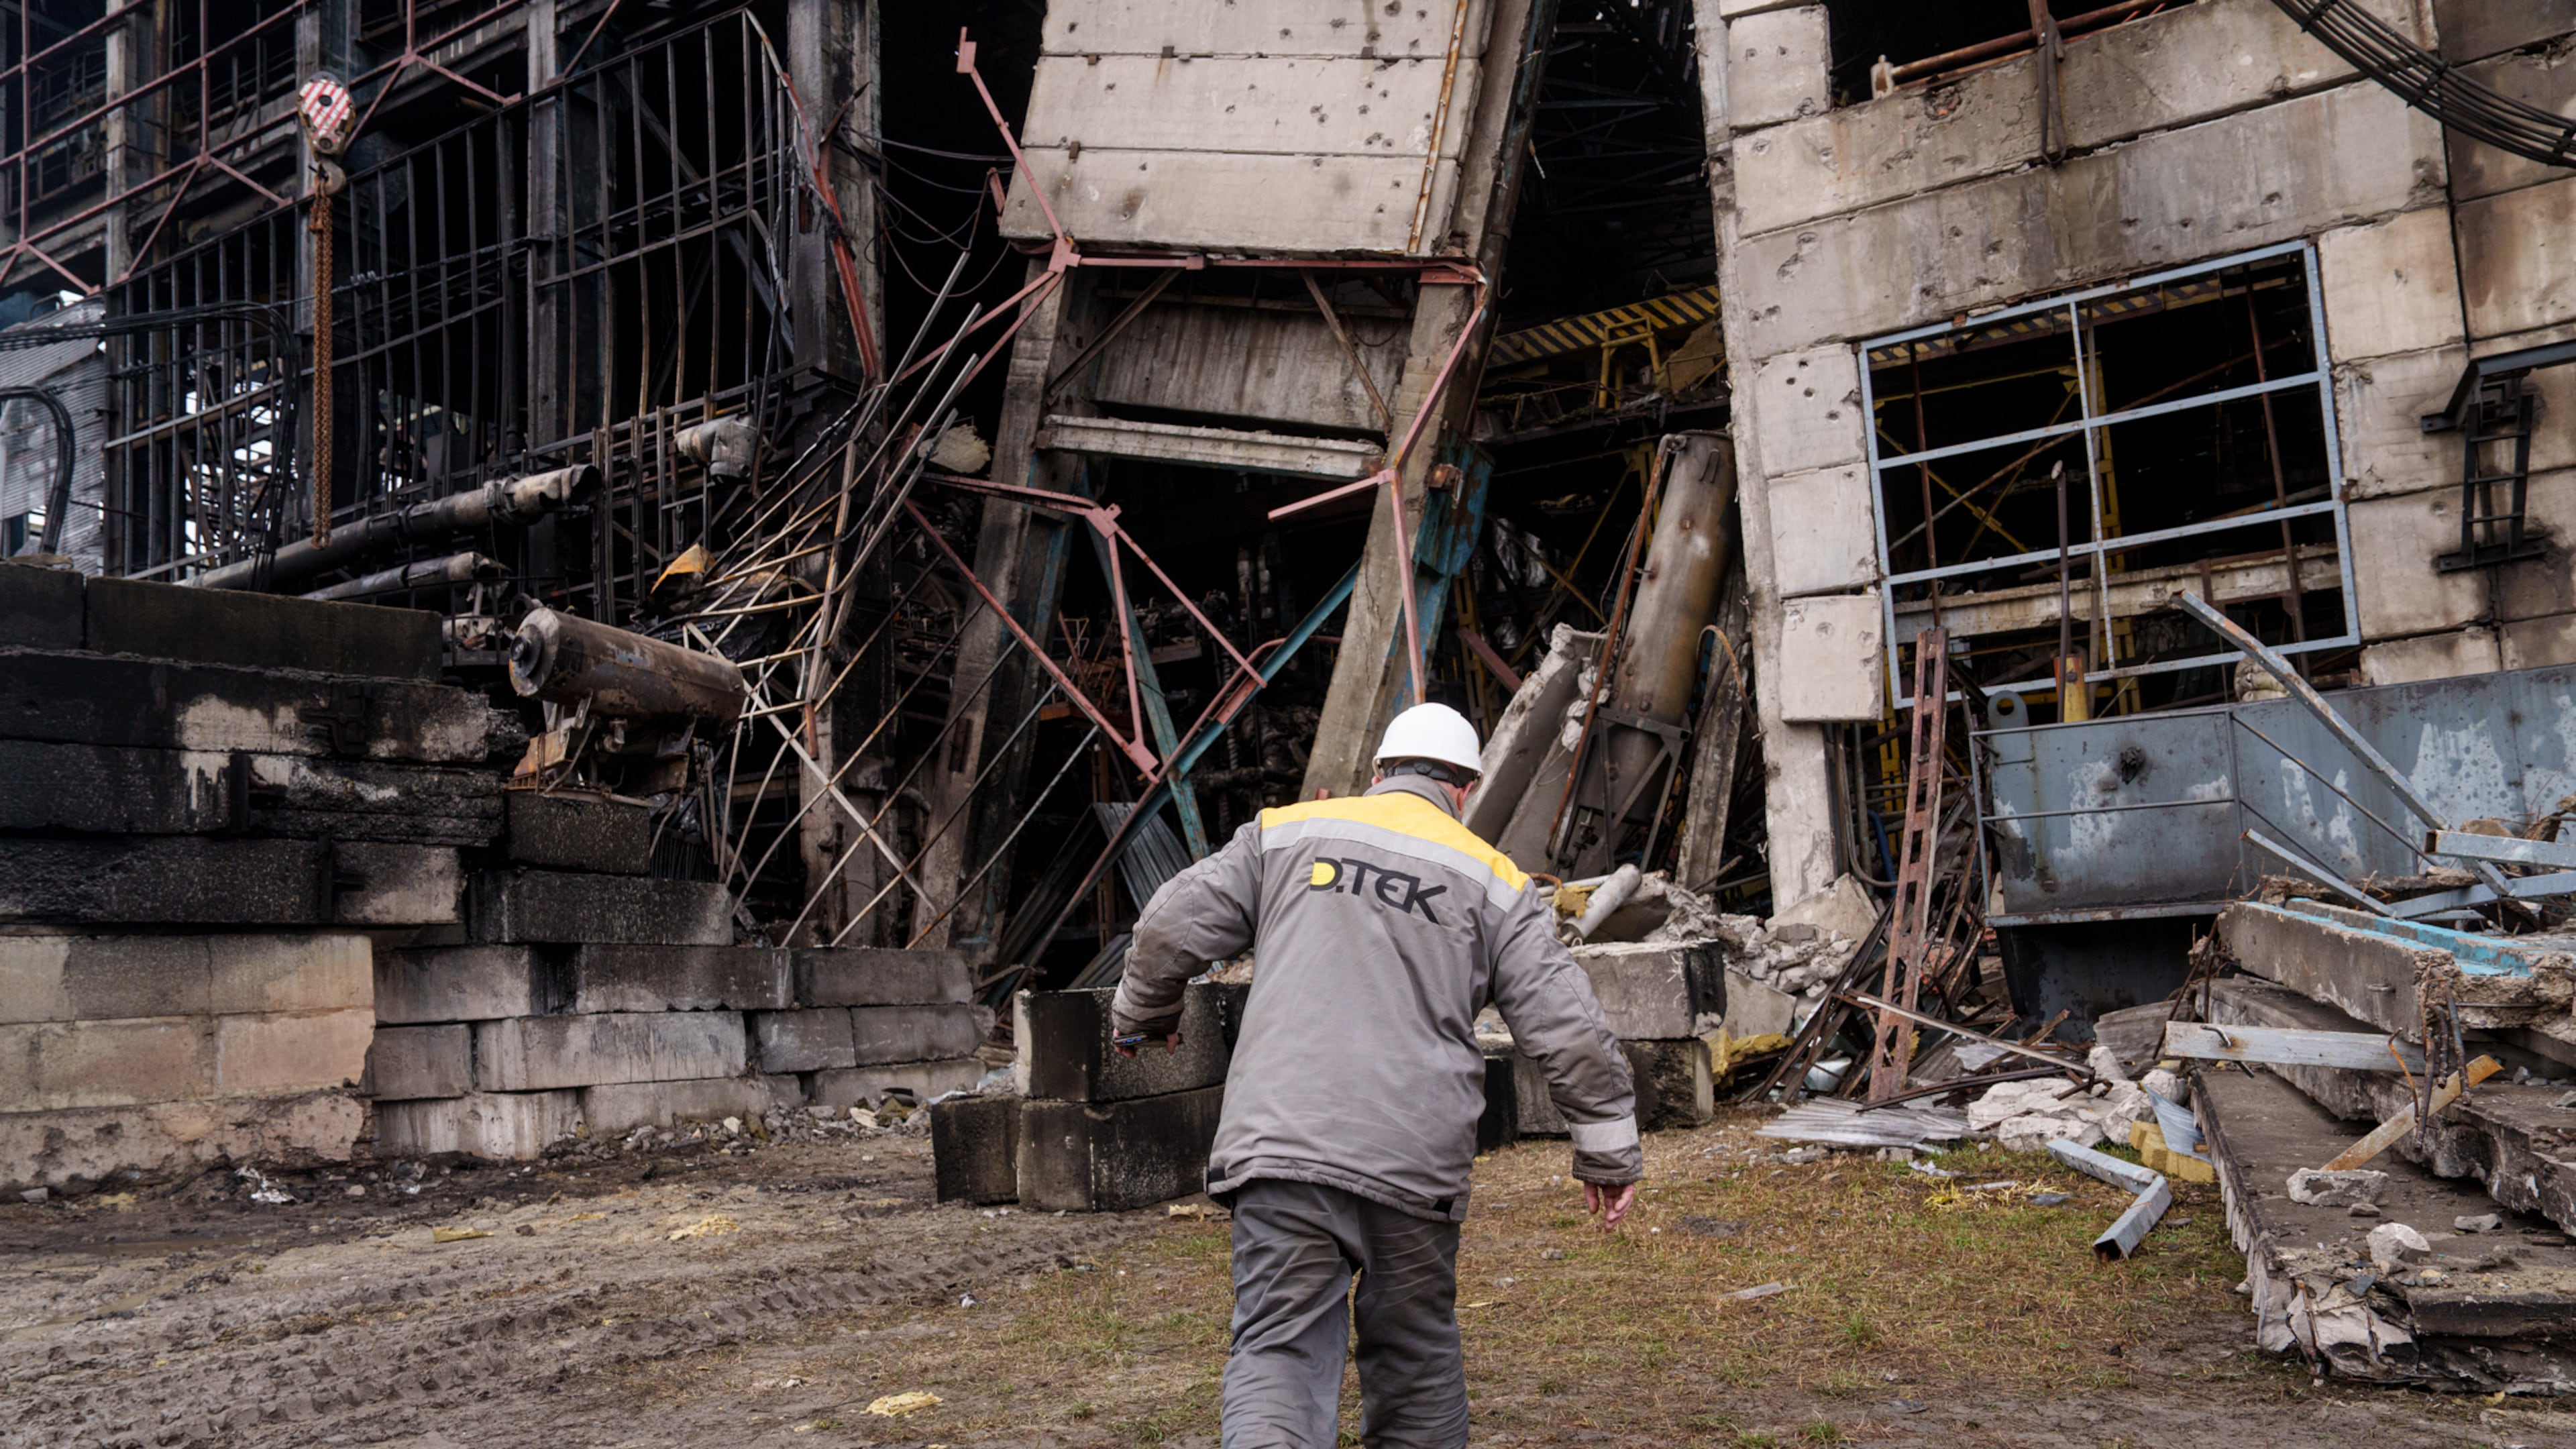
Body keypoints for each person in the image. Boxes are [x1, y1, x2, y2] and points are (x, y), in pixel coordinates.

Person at [1112, 702, 1643, 1449]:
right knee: (1415, 1358)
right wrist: (1608, 1152)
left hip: (1282, 1149)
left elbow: (1169, 924)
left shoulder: (1284, 834)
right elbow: (1568, 1026)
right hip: (1413, 1165)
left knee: (1278, 1351)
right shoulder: (1493, 881)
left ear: (1378, 773)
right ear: (1465, 789)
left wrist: (1145, 1012)